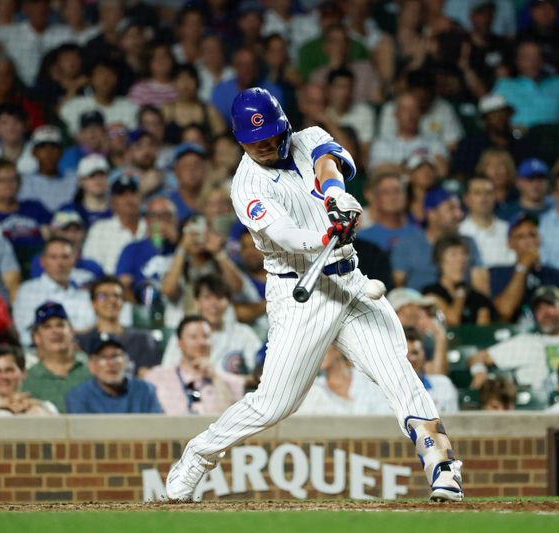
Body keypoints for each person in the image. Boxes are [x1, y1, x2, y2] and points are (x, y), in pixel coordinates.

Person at [165, 87, 463, 503]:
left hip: (351, 282)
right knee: (273, 405)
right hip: (300, 291)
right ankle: (198, 455)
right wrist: (324, 233)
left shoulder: (308, 138)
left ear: (284, 125)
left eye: (272, 136)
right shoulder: (246, 186)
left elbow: (328, 160)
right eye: (256, 143)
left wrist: (335, 194)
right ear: (240, 142)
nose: (267, 147)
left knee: (400, 374)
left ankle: (443, 467)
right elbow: (285, 234)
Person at [469, 285, 559, 398]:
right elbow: (477, 357)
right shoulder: (525, 342)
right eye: (539, 309)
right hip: (536, 410)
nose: (545, 313)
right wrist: (479, 372)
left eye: (550, 305)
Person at [160, 274, 263, 376]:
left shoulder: (243, 333)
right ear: (197, 302)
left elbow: (259, 370)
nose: (214, 304)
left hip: (228, 390)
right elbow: (167, 371)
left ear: (229, 301)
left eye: (219, 297)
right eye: (207, 297)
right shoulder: (184, 332)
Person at [144, 315, 244, 416]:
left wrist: (215, 378)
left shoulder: (232, 382)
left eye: (206, 336)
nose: (201, 342)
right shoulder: (156, 377)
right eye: (193, 337)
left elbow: (231, 421)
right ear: (179, 343)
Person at [391, 187, 486, 293]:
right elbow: (398, 289)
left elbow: (481, 288)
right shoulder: (407, 244)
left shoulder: (468, 243)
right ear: (431, 214)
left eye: (459, 209)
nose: (459, 214)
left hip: (461, 304)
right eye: (451, 209)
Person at [491, 214, 559, 324]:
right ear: (510, 243)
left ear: (539, 239)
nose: (528, 241)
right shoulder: (499, 273)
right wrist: (523, 266)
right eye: (521, 237)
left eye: (532, 235)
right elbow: (505, 310)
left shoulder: (556, 275)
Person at [12, 238, 96, 346]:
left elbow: (94, 327)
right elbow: (25, 333)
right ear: (42, 261)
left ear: (74, 260)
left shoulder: (84, 293)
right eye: (53, 257)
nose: (60, 263)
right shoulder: (28, 291)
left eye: (65, 257)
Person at [75, 276, 160, 377]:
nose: (111, 300)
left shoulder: (142, 339)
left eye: (116, 296)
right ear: (93, 303)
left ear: (123, 302)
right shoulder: (83, 342)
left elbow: (148, 378)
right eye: (103, 296)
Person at [65, 332, 163, 414]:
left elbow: (159, 429)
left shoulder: (145, 391)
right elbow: (82, 434)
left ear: (126, 361)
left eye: (116, 356)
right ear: (92, 366)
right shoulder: (79, 396)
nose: (111, 363)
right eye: (103, 357)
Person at [21, 302, 92, 413]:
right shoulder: (28, 379)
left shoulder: (93, 367)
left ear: (71, 332)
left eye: (60, 325)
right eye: (47, 327)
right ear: (36, 337)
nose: (55, 331)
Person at [493, 39, 559, 131]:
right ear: (517, 61)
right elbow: (493, 119)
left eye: (537, 57)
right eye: (527, 58)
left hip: (554, 139)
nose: (533, 62)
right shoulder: (505, 85)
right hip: (519, 140)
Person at [294, 344, 392, 416]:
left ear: (338, 350)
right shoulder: (313, 389)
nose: (318, 353)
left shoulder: (366, 379)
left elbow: (386, 414)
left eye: (323, 347)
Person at [422, 234, 497, 326]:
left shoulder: (478, 298)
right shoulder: (430, 293)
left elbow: (483, 330)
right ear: (440, 262)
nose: (460, 260)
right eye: (453, 254)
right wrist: (460, 292)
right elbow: (452, 320)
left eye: (463, 254)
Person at [81, 172, 147, 275]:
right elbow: (90, 265)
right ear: (112, 202)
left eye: (132, 193)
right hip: (110, 284)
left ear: (141, 199)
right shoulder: (100, 230)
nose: (129, 199)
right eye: (122, 194)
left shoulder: (151, 226)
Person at [458, 176, 514, 268]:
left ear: (495, 197)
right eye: (477, 193)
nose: (484, 198)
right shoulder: (460, 232)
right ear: (467, 199)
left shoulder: (509, 229)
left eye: (488, 193)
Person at [0, 343, 58, 416]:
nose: (3, 376)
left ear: (23, 373)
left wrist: (34, 408)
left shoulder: (45, 407)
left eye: (9, 370)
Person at [404, 327, 458, 413]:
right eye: (405, 354)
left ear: (424, 355)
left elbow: (453, 423)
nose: (411, 359)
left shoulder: (444, 386)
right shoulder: (378, 393)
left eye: (415, 353)